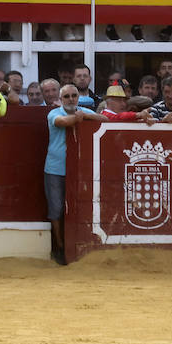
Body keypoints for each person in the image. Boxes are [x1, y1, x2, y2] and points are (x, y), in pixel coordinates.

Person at [45, 83, 104, 266]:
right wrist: (81, 116)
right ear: (60, 100)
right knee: (57, 209)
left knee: (81, 208)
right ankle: (60, 247)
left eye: (74, 96)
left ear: (78, 97)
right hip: (55, 169)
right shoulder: (54, 113)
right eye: (67, 97)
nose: (71, 99)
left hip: (80, 170)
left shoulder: (82, 112)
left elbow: (105, 119)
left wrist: (85, 115)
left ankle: (74, 246)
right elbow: (63, 122)